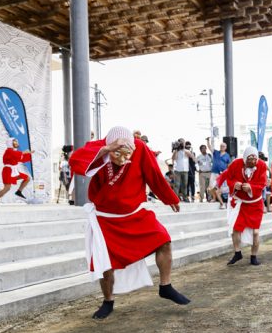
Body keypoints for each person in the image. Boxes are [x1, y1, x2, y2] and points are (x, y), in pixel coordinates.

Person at [69, 126, 190, 320]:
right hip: (105, 218)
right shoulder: (100, 147)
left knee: (163, 240)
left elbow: (154, 174)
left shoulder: (140, 148)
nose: (123, 157)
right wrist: (107, 150)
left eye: (127, 152)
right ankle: (108, 301)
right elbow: (75, 162)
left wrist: (170, 198)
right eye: (119, 152)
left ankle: (165, 286)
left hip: (134, 213)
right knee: (105, 263)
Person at [218, 146, 267, 266]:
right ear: (245, 158)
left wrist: (251, 187)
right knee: (235, 229)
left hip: (255, 204)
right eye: (250, 159)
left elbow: (262, 183)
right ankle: (237, 252)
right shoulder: (236, 164)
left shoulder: (262, 165)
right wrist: (235, 184)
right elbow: (229, 178)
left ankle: (253, 256)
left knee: (255, 232)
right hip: (241, 203)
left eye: (254, 160)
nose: (252, 162)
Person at [0, 138, 33, 207]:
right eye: (15, 142)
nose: (16, 143)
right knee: (7, 187)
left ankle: (19, 191)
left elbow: (20, 158)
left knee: (27, 178)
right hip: (8, 171)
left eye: (16, 142)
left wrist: (28, 154)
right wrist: (25, 152)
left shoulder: (13, 151)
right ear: (11, 144)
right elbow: (17, 155)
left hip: (14, 171)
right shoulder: (8, 151)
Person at [207, 137, 231, 209]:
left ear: (226, 147)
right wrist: (208, 141)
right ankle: (214, 198)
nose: (222, 147)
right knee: (211, 186)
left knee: (219, 188)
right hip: (214, 172)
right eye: (221, 146)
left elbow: (229, 165)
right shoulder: (216, 152)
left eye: (223, 146)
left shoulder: (227, 155)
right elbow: (210, 147)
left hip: (221, 174)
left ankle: (220, 200)